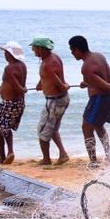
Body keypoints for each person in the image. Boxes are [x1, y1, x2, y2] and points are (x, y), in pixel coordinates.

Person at [69, 35, 110, 168]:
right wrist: (87, 82)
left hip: (101, 98)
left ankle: (93, 161)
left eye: (71, 50)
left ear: (77, 49)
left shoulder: (86, 66)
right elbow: (98, 78)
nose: (71, 53)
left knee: (86, 127)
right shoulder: (99, 56)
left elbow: (106, 86)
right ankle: (108, 156)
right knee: (98, 125)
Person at [30, 37, 71, 166]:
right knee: (52, 129)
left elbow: (60, 84)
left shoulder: (49, 63)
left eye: (35, 49)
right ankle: (63, 154)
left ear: (41, 49)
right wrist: (40, 83)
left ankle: (46, 159)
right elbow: (48, 76)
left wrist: (65, 86)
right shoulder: (52, 58)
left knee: (42, 130)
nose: (33, 51)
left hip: (55, 101)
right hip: (59, 100)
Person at [0, 41, 27, 164]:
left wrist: (22, 89)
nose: (5, 55)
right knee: (5, 128)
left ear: (10, 54)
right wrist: (0, 88)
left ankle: (4, 155)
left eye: (6, 52)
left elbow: (16, 85)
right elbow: (11, 82)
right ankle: (9, 153)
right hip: (19, 103)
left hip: (9, 103)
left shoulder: (9, 68)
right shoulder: (22, 65)